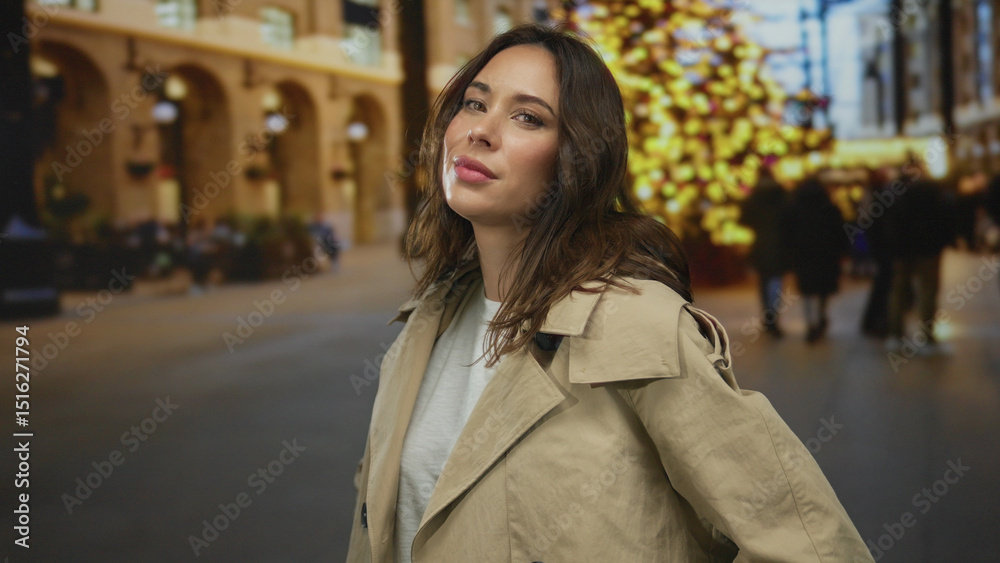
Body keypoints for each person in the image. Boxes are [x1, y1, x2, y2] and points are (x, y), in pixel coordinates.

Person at [347, 24, 873, 562]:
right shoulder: (426, 321)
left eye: (528, 117)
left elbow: (815, 548)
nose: (481, 130)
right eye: (474, 103)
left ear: (575, 159)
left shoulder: (637, 325)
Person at [882, 160, 956, 354]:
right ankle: (927, 336)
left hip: (902, 250)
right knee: (928, 291)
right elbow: (945, 217)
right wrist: (942, 242)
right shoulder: (933, 191)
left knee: (898, 292)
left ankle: (895, 334)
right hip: (928, 249)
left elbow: (889, 222)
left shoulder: (895, 191)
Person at [786, 176, 848, 343]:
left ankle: (810, 323)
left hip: (803, 255)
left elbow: (788, 234)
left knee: (806, 291)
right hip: (826, 255)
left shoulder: (794, 209)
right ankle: (821, 316)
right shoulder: (830, 208)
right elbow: (840, 233)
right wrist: (843, 252)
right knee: (823, 290)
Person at [738, 168, 791, 338]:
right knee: (776, 281)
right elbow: (790, 218)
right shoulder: (782, 195)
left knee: (764, 281)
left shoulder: (754, 197)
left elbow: (744, 219)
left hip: (760, 245)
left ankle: (767, 316)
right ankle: (773, 317)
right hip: (780, 244)